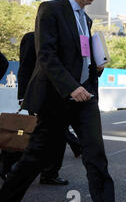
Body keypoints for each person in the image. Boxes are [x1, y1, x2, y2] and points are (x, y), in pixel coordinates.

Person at [0, 0, 116, 202]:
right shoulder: (50, 10)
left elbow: (79, 55)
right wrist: (70, 86)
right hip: (57, 97)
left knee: (96, 156)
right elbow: (47, 56)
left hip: (85, 97)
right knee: (36, 156)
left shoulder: (86, 20)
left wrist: (94, 66)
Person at [1, 32, 83, 184]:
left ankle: (49, 173)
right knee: (39, 134)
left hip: (62, 94)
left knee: (54, 135)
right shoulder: (32, 38)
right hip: (39, 94)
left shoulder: (64, 38)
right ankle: (9, 163)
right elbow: (25, 67)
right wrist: (22, 96)